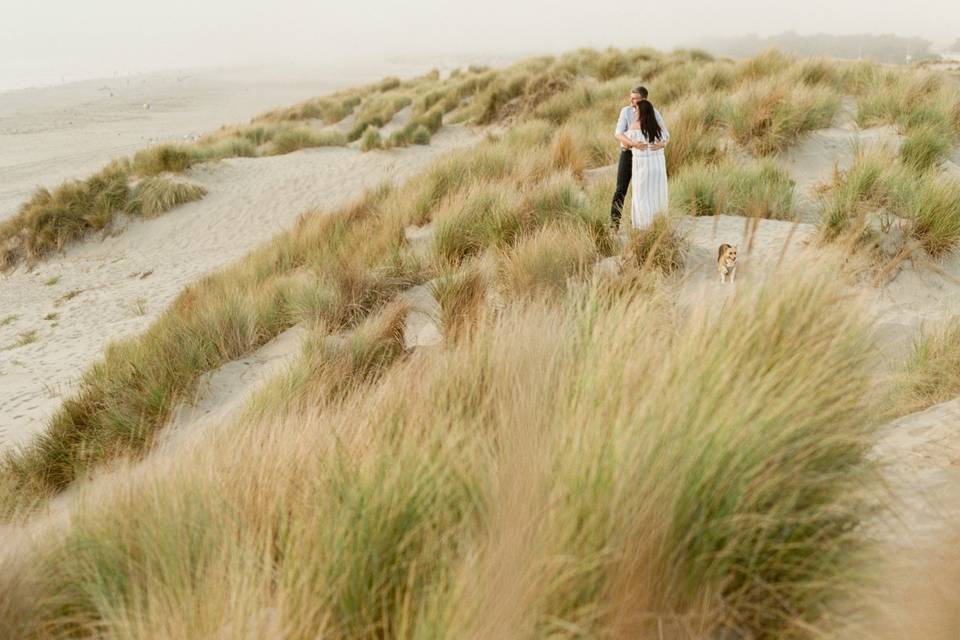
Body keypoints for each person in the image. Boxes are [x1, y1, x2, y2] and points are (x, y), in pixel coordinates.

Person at [610, 86, 669, 231]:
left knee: (643, 190)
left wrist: (662, 143)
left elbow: (665, 133)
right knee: (621, 188)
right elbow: (618, 133)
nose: (631, 102)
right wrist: (633, 144)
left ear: (644, 99)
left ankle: (640, 224)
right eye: (630, 98)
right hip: (628, 153)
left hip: (647, 157)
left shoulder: (654, 112)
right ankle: (614, 225)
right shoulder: (626, 111)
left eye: (634, 99)